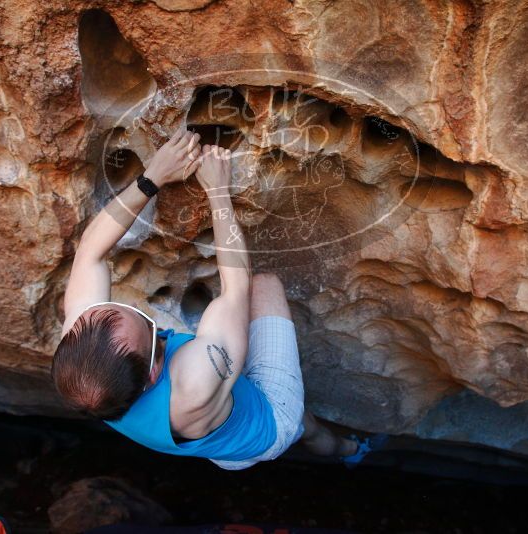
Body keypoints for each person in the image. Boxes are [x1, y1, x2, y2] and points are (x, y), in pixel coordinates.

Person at [51, 127, 382, 469]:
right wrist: (218, 192)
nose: (131, 308)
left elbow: (90, 250)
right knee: (265, 293)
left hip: (223, 445)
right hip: (267, 427)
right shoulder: (196, 378)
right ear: (152, 373)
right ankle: (350, 451)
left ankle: (338, 447)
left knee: (298, 419)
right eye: (145, 322)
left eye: (116, 307)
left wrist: (152, 178)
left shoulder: (87, 363)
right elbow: (237, 286)